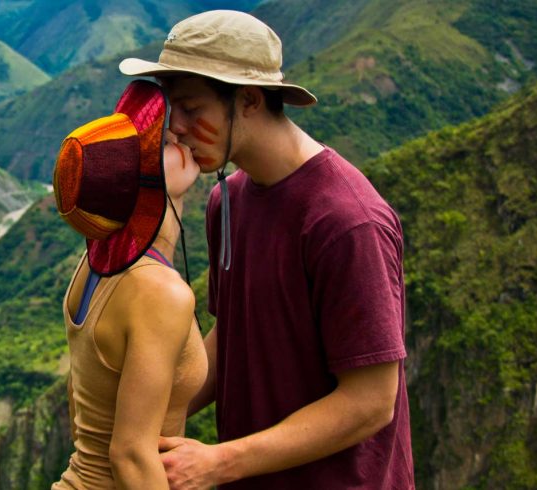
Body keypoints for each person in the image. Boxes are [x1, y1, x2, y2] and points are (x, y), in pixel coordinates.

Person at [118, 10, 415, 489]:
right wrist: (145, 416)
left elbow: (371, 401)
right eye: (175, 110)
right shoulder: (226, 200)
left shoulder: (346, 220)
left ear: (250, 100)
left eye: (194, 110)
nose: (176, 129)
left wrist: (218, 462)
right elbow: (234, 333)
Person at [51, 80, 206, 489]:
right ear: (144, 184)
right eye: (159, 146)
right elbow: (131, 457)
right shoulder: (160, 293)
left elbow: (80, 408)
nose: (175, 134)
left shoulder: (93, 264)